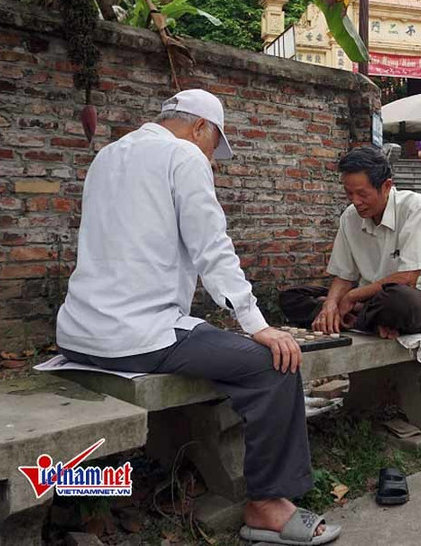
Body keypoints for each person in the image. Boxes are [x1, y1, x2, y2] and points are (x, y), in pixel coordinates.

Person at [55, 89, 339, 545]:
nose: (213, 159)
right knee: (275, 366)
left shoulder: (107, 155)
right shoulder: (185, 156)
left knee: (212, 341)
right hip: (137, 338)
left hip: (78, 334)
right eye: (213, 146)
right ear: (200, 128)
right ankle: (267, 504)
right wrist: (257, 325)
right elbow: (213, 250)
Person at [280, 147, 421, 339]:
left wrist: (351, 297)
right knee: (292, 297)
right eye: (349, 193)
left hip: (417, 298)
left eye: (362, 194)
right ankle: (363, 320)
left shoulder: (414, 207)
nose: (356, 201)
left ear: (386, 186)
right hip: (370, 298)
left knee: (399, 301)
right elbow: (344, 276)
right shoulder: (350, 217)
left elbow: (408, 278)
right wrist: (330, 304)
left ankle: (358, 317)